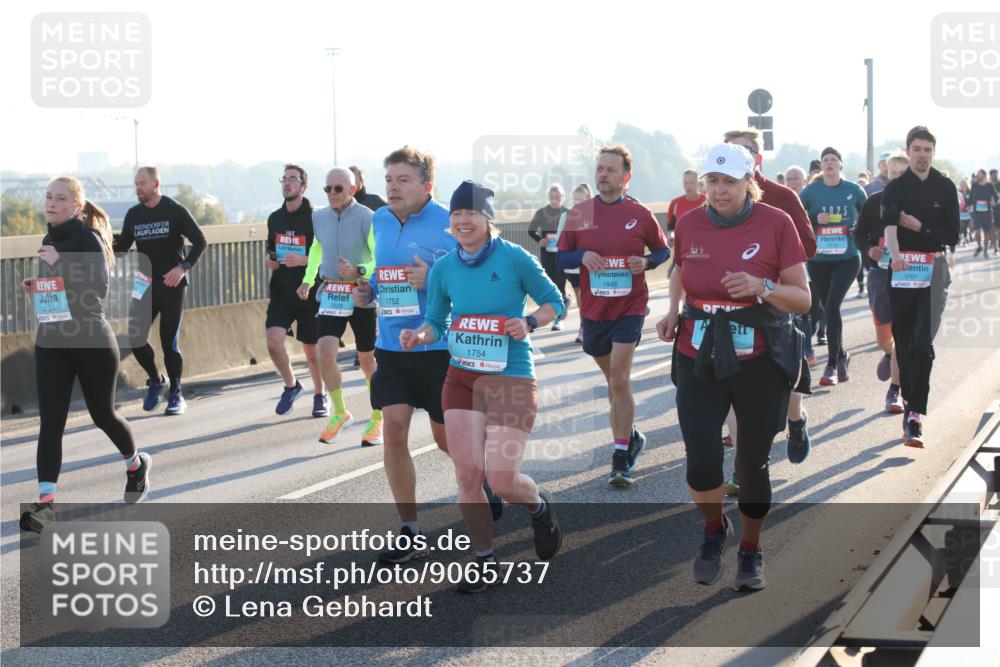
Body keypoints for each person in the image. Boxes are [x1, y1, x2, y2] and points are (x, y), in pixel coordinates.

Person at [657, 143, 810, 592]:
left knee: (751, 466)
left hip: (759, 358)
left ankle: (750, 548)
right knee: (701, 463)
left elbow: (802, 298)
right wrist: (673, 310)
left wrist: (763, 286)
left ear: (749, 182)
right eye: (713, 181)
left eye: (730, 182)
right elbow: (680, 269)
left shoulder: (776, 223)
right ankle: (713, 529)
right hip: (698, 353)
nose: (720, 190)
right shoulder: (689, 223)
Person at [401, 180, 564, 592]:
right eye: (456, 214)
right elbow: (436, 320)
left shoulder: (515, 258)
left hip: (511, 376)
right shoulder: (444, 268)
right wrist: (420, 335)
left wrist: (529, 322)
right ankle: (484, 561)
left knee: (503, 481)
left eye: (470, 214)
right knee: (469, 475)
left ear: (487, 219)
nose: (462, 221)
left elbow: (556, 302)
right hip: (462, 378)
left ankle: (539, 507)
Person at [353, 146, 489, 564]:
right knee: (393, 431)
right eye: (388, 180)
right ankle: (410, 530)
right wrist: (368, 291)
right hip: (393, 346)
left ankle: (486, 481)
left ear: (427, 185)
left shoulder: (451, 222)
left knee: (447, 441)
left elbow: (477, 279)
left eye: (403, 180)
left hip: (439, 348)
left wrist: (431, 280)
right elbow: (384, 273)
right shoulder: (379, 219)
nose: (392, 187)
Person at [20, 177, 153, 533]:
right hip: (53, 342)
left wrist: (60, 263)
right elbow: (62, 292)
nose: (52, 203)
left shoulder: (88, 238)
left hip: (92, 340)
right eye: (48, 196)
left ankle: (135, 464)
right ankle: (45, 504)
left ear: (76, 207)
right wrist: (39, 286)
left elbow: (98, 286)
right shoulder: (50, 238)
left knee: (102, 414)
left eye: (60, 198)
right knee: (51, 423)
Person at [557, 145, 669, 487]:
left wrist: (646, 262)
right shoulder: (579, 213)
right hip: (594, 311)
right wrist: (582, 255)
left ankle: (620, 458)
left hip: (629, 307)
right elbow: (561, 257)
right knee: (614, 382)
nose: (603, 174)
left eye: (610, 169)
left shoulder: (640, 214)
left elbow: (663, 250)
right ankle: (630, 435)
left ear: (626, 176)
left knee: (619, 380)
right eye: (600, 168)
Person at [724, 129, 816, 471]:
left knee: (785, 375)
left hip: (778, 299)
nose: (736, 157)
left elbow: (809, 246)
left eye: (744, 151)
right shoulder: (719, 197)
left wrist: (769, 271)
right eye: (729, 150)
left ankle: (796, 420)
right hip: (734, 303)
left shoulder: (782, 196)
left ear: (758, 158)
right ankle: (742, 466)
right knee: (730, 377)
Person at [883, 126, 959, 448]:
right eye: (917, 149)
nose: (922, 155)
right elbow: (889, 228)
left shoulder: (945, 187)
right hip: (902, 270)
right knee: (903, 340)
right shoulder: (896, 188)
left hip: (934, 270)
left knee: (922, 344)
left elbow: (952, 236)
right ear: (908, 151)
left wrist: (921, 227)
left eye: (928, 149)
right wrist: (896, 256)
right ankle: (908, 403)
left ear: (933, 153)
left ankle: (914, 415)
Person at [298, 167, 382, 446]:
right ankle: (340, 412)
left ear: (352, 190)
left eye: (338, 188)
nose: (332, 194)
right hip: (332, 292)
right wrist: (308, 279)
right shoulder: (319, 217)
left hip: (360, 292)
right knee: (324, 354)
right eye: (327, 189)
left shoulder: (367, 217)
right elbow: (316, 249)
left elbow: (379, 257)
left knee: (367, 360)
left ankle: (377, 416)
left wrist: (360, 270)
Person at [115, 166, 207, 416]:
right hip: (144, 283)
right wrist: (101, 240)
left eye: (142, 184)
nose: (138, 188)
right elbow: (122, 248)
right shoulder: (134, 214)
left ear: (155, 184)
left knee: (169, 342)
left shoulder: (174, 210)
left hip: (171, 283)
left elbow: (200, 241)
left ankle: (176, 394)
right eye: (136, 184)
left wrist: (183, 268)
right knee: (135, 337)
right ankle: (156, 380)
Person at [799, 147, 867, 387]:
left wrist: (858, 228)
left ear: (840, 164)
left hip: (847, 257)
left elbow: (868, 215)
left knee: (831, 305)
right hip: (818, 260)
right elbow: (797, 219)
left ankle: (831, 366)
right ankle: (842, 355)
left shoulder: (853, 190)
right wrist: (814, 219)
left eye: (833, 160)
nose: (829, 163)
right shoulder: (810, 191)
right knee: (826, 309)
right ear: (822, 165)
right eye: (825, 160)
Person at [266, 164, 327, 417]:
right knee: (273, 342)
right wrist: (270, 259)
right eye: (284, 179)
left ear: (304, 187)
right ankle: (291, 386)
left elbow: (327, 255)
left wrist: (303, 260)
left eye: (293, 179)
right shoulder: (274, 218)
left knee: (312, 352)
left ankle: (320, 394)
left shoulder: (315, 218)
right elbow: (271, 249)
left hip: (308, 293)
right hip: (282, 292)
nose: (287, 183)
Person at [854, 152, 911, 414]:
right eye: (894, 173)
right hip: (880, 274)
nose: (898, 178)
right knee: (884, 336)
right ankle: (889, 353)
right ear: (887, 172)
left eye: (903, 174)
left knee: (904, 333)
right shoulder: (874, 201)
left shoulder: (919, 203)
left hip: (910, 275)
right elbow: (859, 234)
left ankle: (895, 390)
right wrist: (869, 249)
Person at [528, 185, 570, 330]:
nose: (554, 200)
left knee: (560, 284)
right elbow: (531, 230)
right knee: (551, 285)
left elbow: (574, 233)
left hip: (562, 255)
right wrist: (540, 239)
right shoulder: (542, 212)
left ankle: (559, 319)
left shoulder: (568, 213)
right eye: (552, 197)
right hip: (547, 255)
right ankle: (562, 305)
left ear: (563, 198)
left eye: (557, 197)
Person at [556, 183, 591, 344]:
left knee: (590, 297)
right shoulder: (567, 215)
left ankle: (591, 326)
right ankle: (584, 327)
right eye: (575, 199)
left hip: (592, 265)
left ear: (588, 199)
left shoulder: (595, 215)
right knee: (581, 297)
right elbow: (559, 240)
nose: (577, 202)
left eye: (580, 199)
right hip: (574, 265)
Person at [666, 169, 707, 249]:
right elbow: (671, 228)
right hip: (682, 249)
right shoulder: (675, 203)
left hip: (705, 247)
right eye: (686, 183)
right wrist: (671, 237)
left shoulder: (708, 201)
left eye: (691, 183)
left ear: (698, 184)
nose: (688, 186)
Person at [970, 169, 997, 258]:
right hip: (977, 213)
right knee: (977, 231)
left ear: (984, 175)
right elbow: (970, 197)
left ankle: (985, 250)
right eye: (977, 174)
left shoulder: (990, 186)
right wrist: (969, 206)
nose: (977, 176)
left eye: (979, 174)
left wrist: (993, 200)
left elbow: (995, 196)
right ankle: (979, 246)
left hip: (987, 213)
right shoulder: (974, 185)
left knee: (987, 233)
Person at [958, 178, 972, 246]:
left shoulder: (969, 192)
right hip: (961, 212)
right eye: (962, 184)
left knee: (966, 226)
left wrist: (970, 207)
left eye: (964, 184)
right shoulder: (959, 193)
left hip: (968, 212)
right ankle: (960, 239)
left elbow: (971, 201)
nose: (963, 185)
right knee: (961, 226)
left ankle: (965, 241)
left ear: (967, 184)